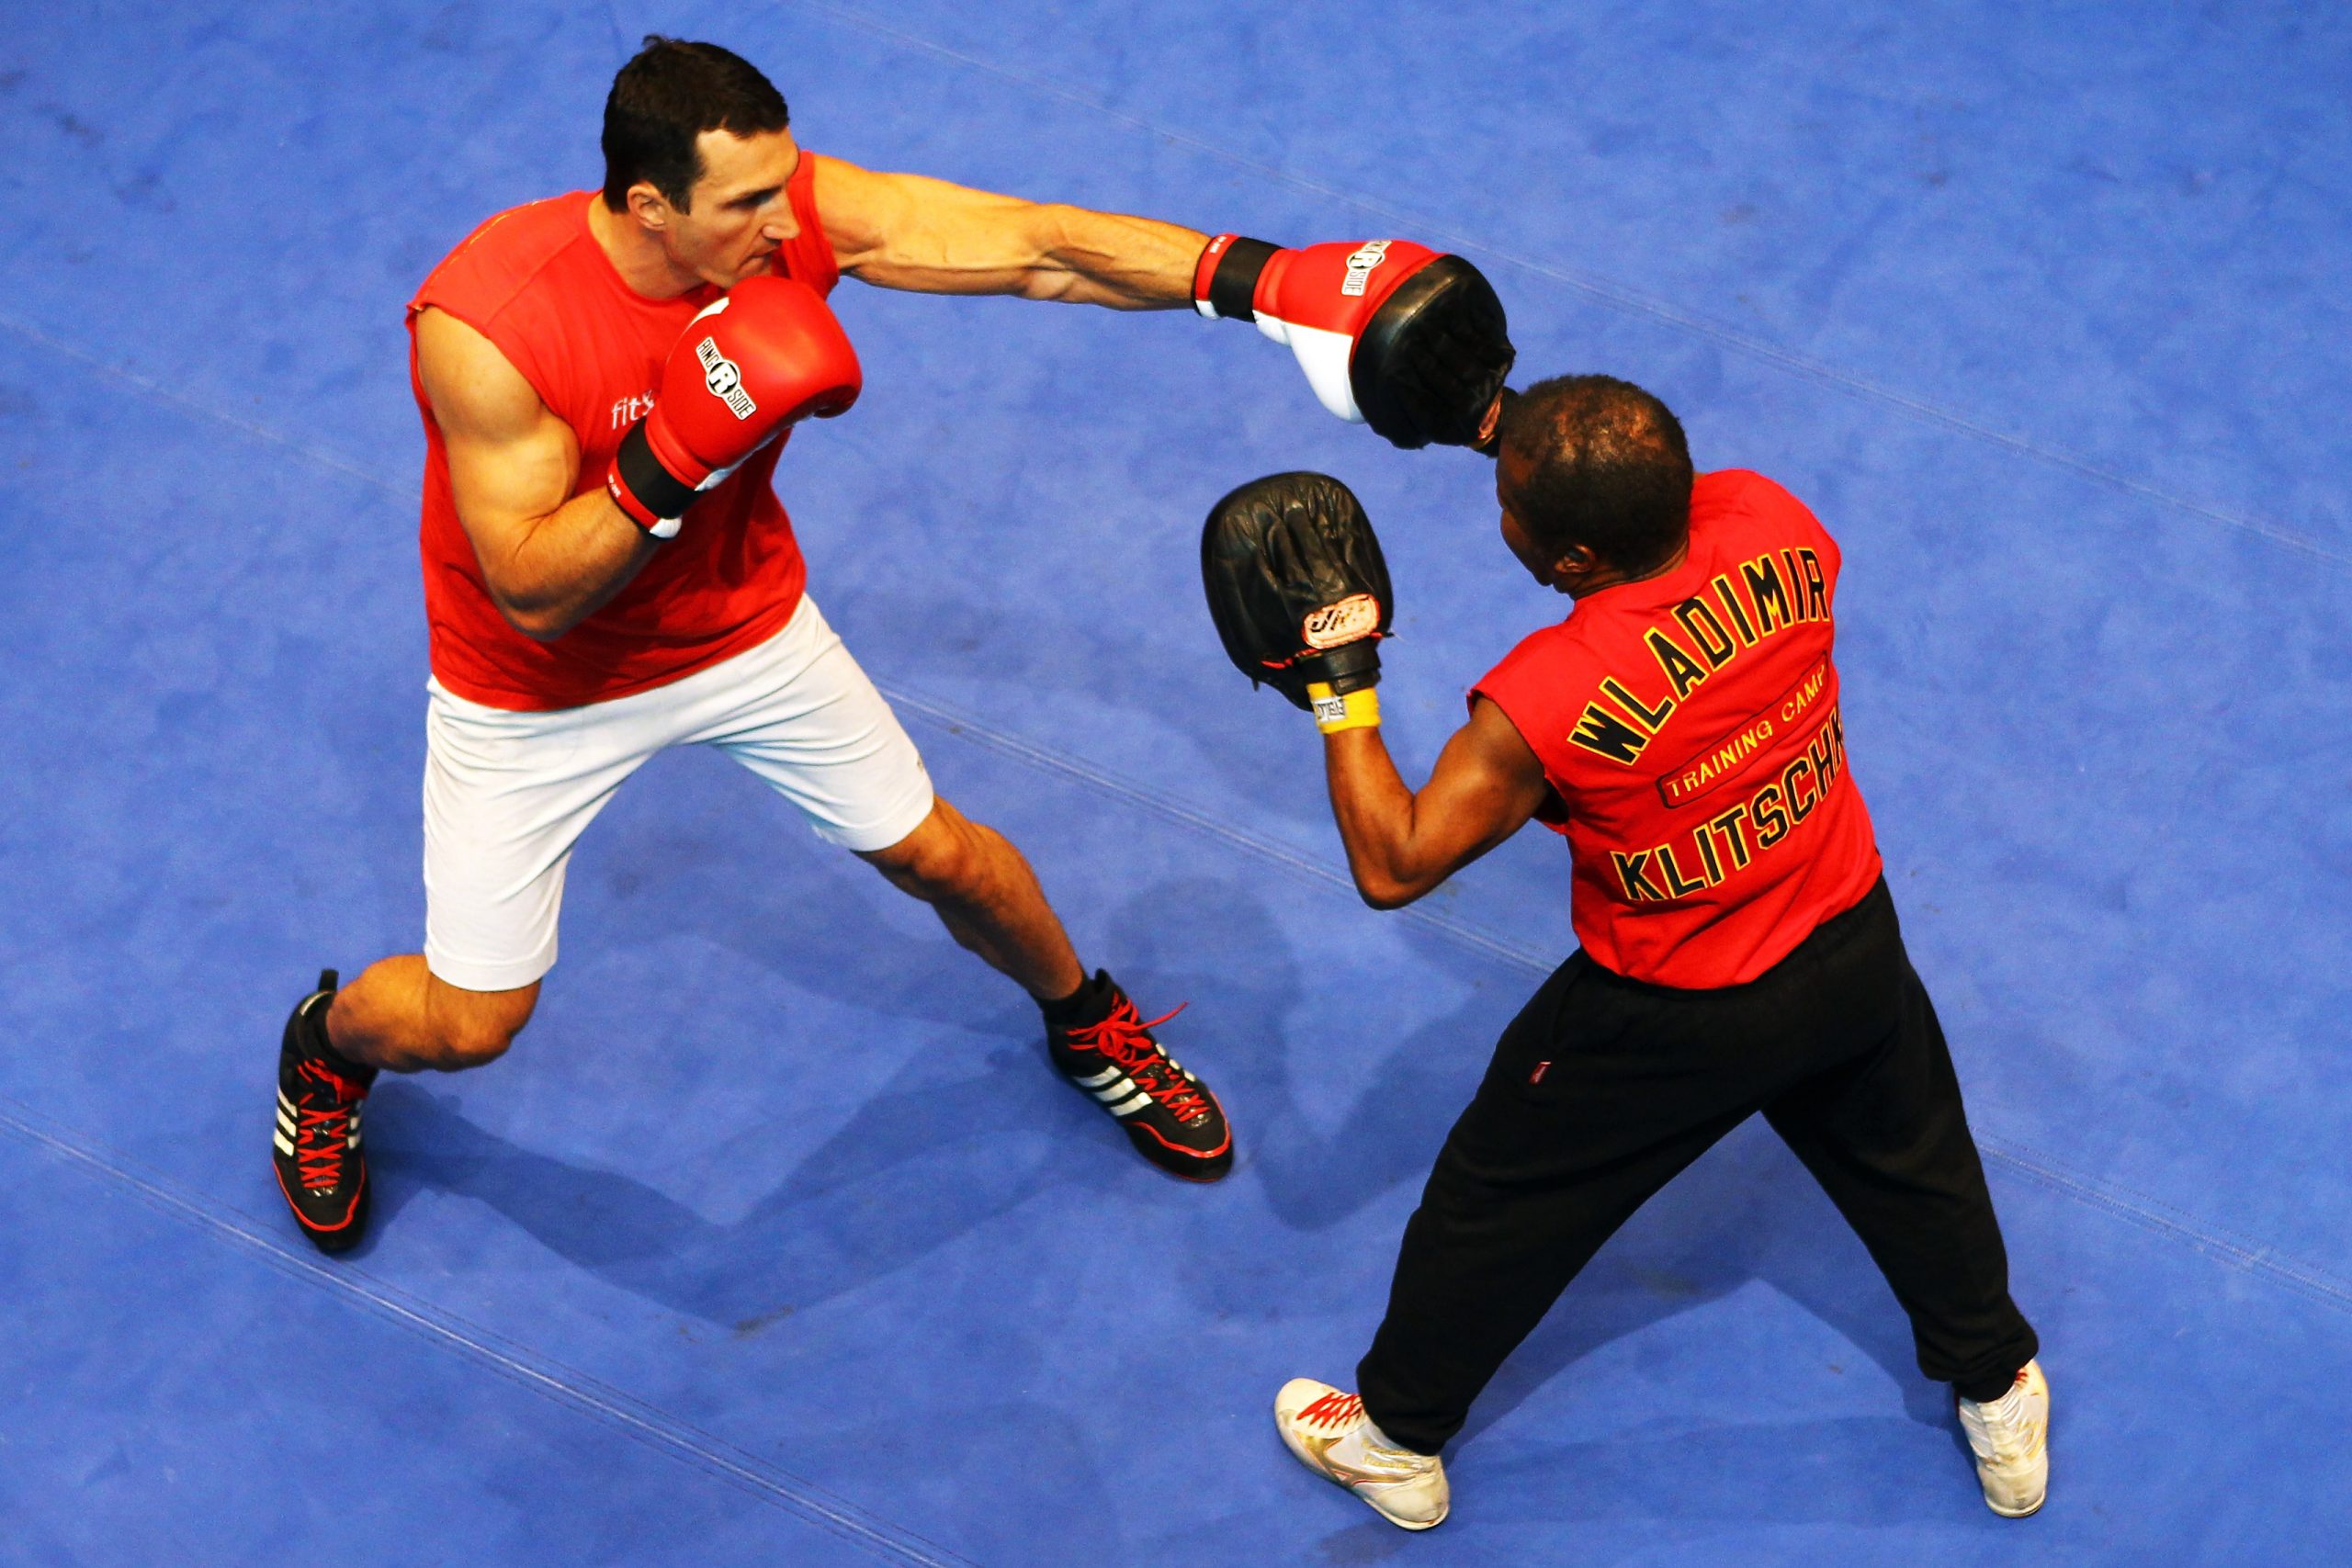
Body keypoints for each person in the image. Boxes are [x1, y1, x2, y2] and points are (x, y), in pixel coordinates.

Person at [270, 35, 1509, 1255]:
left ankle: (1085, 1019)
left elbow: (1035, 248)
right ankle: (325, 1050)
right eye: (747, 201)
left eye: (784, 182)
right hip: (538, 689)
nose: (782, 223)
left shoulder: (790, 214)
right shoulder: (489, 324)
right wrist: (672, 453)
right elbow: (535, 591)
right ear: (648, 205)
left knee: (944, 858)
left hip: (741, 626)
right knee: (476, 1018)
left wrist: (1258, 277)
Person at [1219, 378, 2045, 1529]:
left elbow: (1393, 864)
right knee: (1919, 1171)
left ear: (1567, 562)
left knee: (1490, 1206)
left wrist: (1338, 686)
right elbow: (1639, 484)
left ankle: (1395, 1440)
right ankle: (2000, 1388)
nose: (1499, 514)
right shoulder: (1776, 520)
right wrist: (1501, 417)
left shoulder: (1546, 700)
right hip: (1849, 934)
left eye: (1511, 505)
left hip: (1673, 1016)